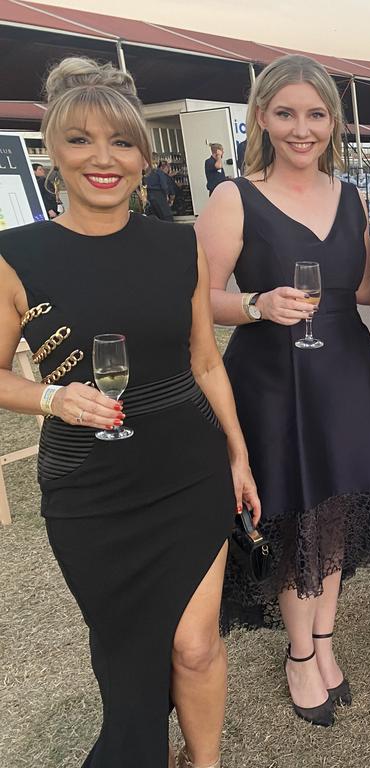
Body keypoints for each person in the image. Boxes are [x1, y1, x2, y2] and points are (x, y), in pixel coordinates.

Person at [0, 57, 259, 768]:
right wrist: (53, 396)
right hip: (89, 489)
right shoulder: (14, 256)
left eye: (120, 142)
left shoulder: (180, 245)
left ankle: (202, 762)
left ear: (145, 157)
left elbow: (206, 360)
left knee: (195, 642)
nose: (102, 159)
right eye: (80, 140)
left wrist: (237, 454)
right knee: (127, 652)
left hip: (187, 468)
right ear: (52, 151)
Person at [196, 54, 370, 728]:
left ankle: (323, 641)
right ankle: (297, 653)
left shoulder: (351, 196)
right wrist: (256, 304)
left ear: (332, 122)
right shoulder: (235, 195)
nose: (301, 127)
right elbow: (198, 300)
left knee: (337, 511)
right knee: (293, 514)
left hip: (346, 371)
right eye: (285, 113)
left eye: (315, 114)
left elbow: (362, 288)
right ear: (262, 118)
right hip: (271, 383)